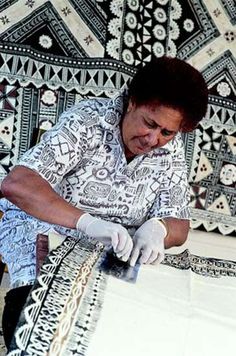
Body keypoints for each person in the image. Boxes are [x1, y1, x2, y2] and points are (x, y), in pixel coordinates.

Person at [0, 56, 208, 348]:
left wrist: (159, 228)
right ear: (132, 101)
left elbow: (179, 225)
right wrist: (87, 222)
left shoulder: (169, 152)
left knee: (137, 329)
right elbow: (16, 185)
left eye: (167, 132)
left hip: (109, 247)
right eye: (150, 123)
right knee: (39, 324)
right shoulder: (86, 122)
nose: (152, 139)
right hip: (44, 234)